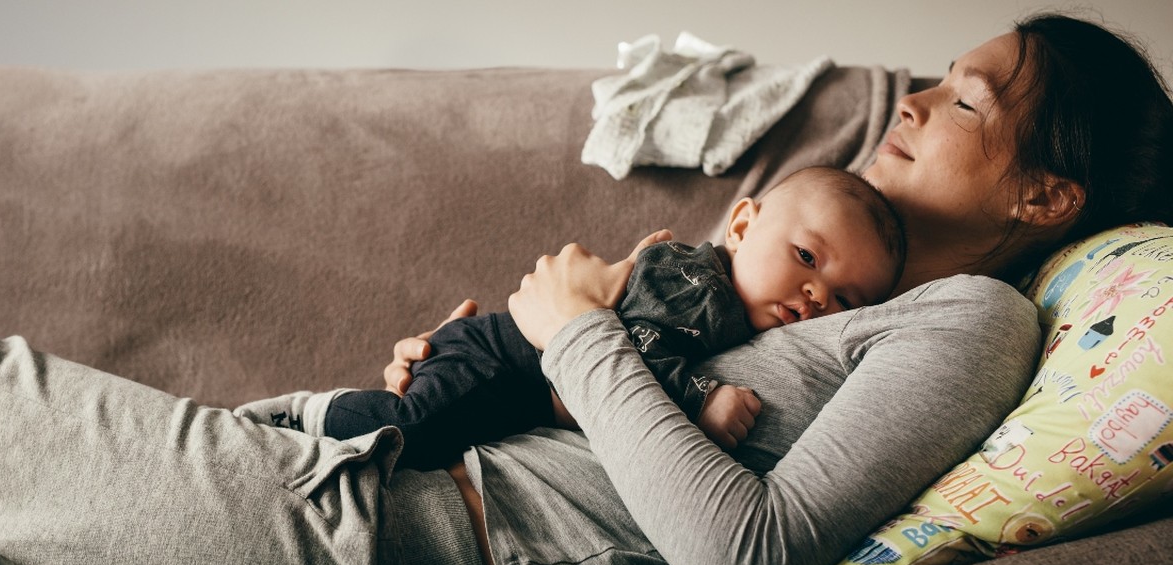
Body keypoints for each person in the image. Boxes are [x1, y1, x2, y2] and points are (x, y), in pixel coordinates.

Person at [0, 13, 1170, 565]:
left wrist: (570, 336)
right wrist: (480, 367)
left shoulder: (970, 324)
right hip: (350, 473)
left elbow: (743, 556)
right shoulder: (827, 287)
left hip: (371, 545)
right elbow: (611, 418)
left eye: (964, 99)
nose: (914, 98)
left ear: (1042, 196)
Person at [234, 166, 905, 462]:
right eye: (807, 258)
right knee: (415, 429)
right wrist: (702, 396)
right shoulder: (702, 288)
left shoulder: (731, 309)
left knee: (425, 450)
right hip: (505, 359)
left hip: (522, 382)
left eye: (847, 299)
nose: (818, 297)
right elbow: (636, 345)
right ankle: (300, 417)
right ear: (741, 222)